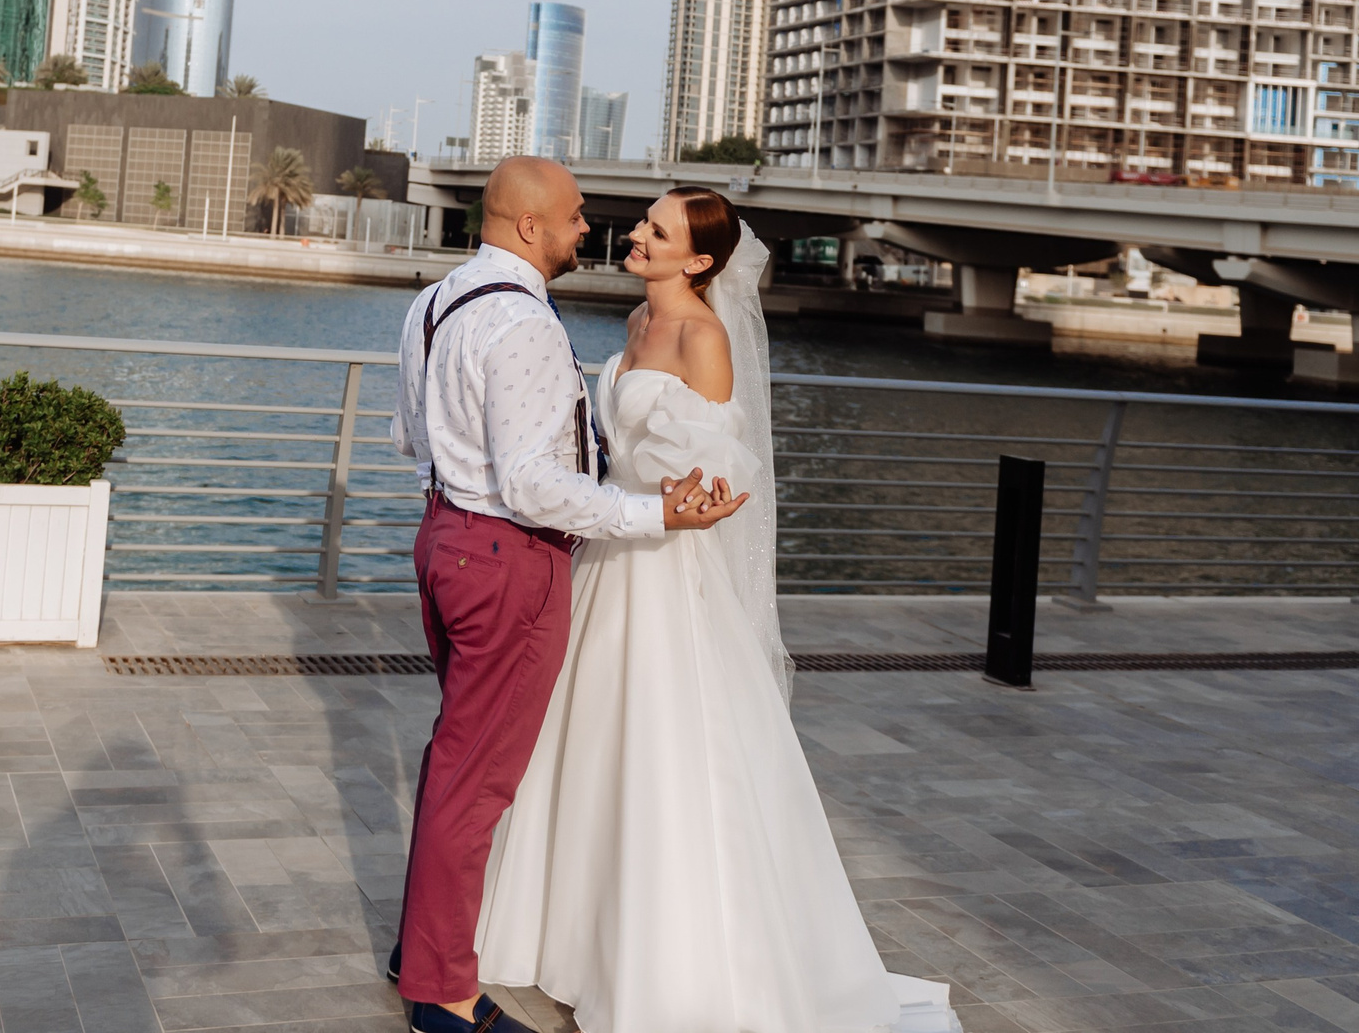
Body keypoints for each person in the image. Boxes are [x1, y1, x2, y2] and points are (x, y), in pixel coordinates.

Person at [475, 186, 961, 1033]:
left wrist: (677, 490)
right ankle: (570, 936)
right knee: (585, 742)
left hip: (664, 565)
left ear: (699, 261)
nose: (639, 235)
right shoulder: (635, 326)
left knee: (662, 748)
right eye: (644, 224)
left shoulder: (705, 336)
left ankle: (668, 961)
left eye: (658, 232)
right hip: (610, 550)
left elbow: (728, 475)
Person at [389, 157, 748, 1033]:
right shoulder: (524, 325)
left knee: (457, 763)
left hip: (444, 541)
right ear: (528, 227)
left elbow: (409, 434)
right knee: (471, 781)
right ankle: (440, 991)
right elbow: (533, 485)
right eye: (578, 215)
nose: (594, 228)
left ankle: (424, 945)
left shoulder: (435, 302)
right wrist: (645, 509)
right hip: (508, 561)